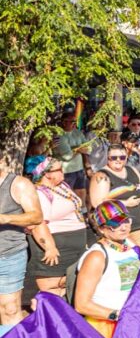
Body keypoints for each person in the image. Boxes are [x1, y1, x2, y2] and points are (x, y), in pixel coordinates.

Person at [74, 201, 140, 338]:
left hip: (136, 321)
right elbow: (81, 305)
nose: (123, 227)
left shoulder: (130, 243)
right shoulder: (96, 257)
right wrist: (118, 315)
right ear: (101, 229)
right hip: (108, 327)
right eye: (115, 224)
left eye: (126, 220)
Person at [23, 156, 88, 298]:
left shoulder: (62, 186)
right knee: (52, 293)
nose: (63, 172)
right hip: (56, 249)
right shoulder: (39, 193)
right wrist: (50, 247)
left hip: (73, 247)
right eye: (59, 169)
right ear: (47, 173)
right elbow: (38, 223)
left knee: (68, 290)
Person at [89, 144, 140, 253]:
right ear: (108, 158)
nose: (118, 160)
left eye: (122, 157)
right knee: (127, 264)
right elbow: (97, 203)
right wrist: (125, 203)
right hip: (116, 229)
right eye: (114, 157)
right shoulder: (101, 176)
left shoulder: (132, 170)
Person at [0, 159, 43, 326]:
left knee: (10, 309)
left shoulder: (19, 184)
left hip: (8, 255)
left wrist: (5, 218)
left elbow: (36, 216)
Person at [53, 110, 93, 202]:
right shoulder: (60, 135)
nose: (74, 124)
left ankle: (82, 212)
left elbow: (89, 148)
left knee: (81, 192)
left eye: (75, 122)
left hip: (79, 169)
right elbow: (67, 156)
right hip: (66, 171)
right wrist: (79, 149)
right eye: (72, 122)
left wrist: (75, 149)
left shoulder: (77, 132)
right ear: (64, 122)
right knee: (67, 195)